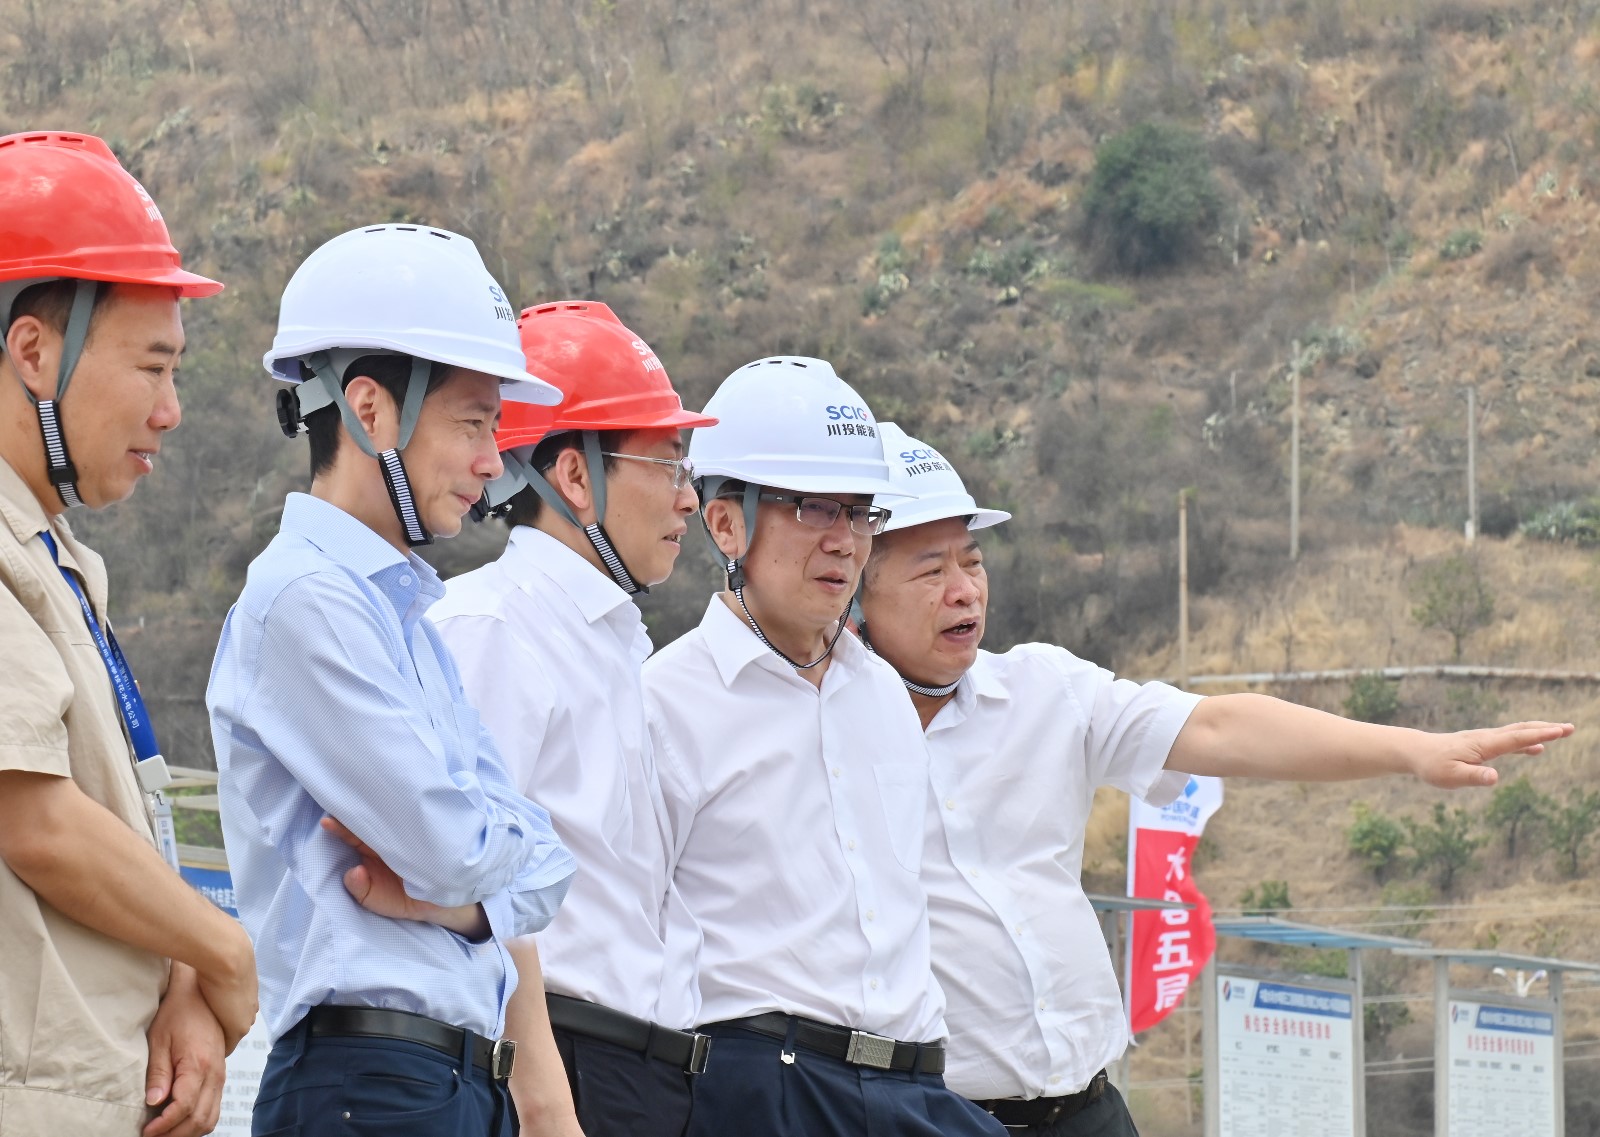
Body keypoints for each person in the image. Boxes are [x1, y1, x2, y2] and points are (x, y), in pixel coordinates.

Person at [855, 422, 1574, 1136]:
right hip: (932, 1117)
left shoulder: (1044, 691)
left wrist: (1413, 749)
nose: (964, 591)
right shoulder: (826, 736)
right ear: (855, 589)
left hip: (1089, 1112)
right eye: (930, 571)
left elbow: (1220, 728)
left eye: (973, 561)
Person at [207, 224, 578, 1137]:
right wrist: (473, 871)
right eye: (473, 423)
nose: (493, 461)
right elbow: (457, 844)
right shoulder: (305, 601)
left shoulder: (402, 619)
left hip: (439, 1081)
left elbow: (551, 869)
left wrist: (457, 905)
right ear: (370, 411)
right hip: (367, 1082)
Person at [641, 358, 1007, 1137]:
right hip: (760, 1089)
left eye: (861, 511)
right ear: (726, 523)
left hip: (915, 1085)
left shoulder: (881, 693)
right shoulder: (663, 702)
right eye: (813, 508)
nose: (845, 541)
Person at [0, 129, 258, 1137]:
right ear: (33, 351)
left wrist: (183, 972)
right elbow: (34, 818)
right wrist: (222, 950)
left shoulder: (50, 553)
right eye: (152, 367)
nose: (171, 409)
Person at [433, 300, 717, 1137]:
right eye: (667, 465)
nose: (689, 499)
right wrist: (546, 1105)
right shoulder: (491, 628)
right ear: (574, 476)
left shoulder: (613, 642)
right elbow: (472, 882)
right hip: (563, 1068)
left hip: (646, 1074)